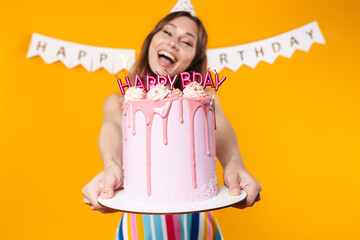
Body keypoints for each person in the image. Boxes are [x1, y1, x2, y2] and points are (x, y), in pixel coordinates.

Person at [82, 11, 262, 239]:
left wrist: (235, 164)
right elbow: (113, 127)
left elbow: (220, 128)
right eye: (167, 32)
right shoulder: (121, 101)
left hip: (198, 227)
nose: (173, 43)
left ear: (195, 59)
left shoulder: (203, 99)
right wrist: (111, 165)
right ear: (151, 40)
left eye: (187, 41)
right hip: (138, 227)